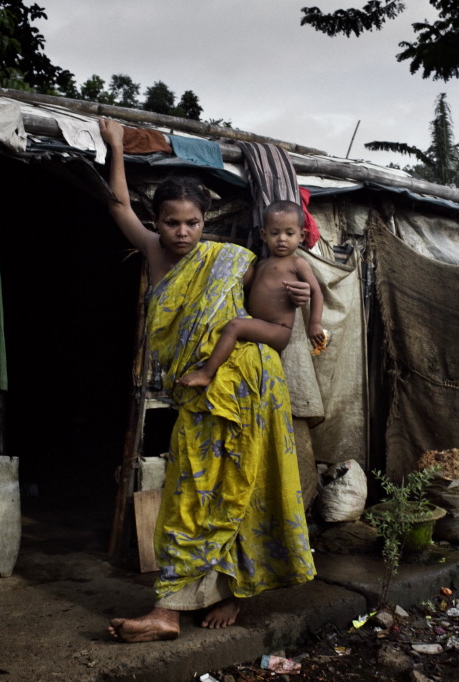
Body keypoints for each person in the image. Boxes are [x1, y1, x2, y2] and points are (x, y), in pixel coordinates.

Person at [98, 118, 316, 642]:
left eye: (192, 222)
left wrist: (304, 296)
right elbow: (117, 207)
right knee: (207, 489)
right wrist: (115, 150)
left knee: (214, 488)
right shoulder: (154, 254)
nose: (182, 232)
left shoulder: (230, 260)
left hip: (244, 385)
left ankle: (178, 608)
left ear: (204, 222)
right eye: (172, 222)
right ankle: (206, 595)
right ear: (159, 222)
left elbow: (279, 285)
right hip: (202, 391)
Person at [176, 200, 325, 389]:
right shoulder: (261, 264)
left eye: (289, 233)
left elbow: (317, 292)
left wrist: (315, 324)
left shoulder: (297, 263)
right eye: (274, 233)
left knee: (235, 326)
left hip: (278, 328)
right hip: (259, 323)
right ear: (264, 235)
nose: (282, 239)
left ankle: (206, 373)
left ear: (302, 235)